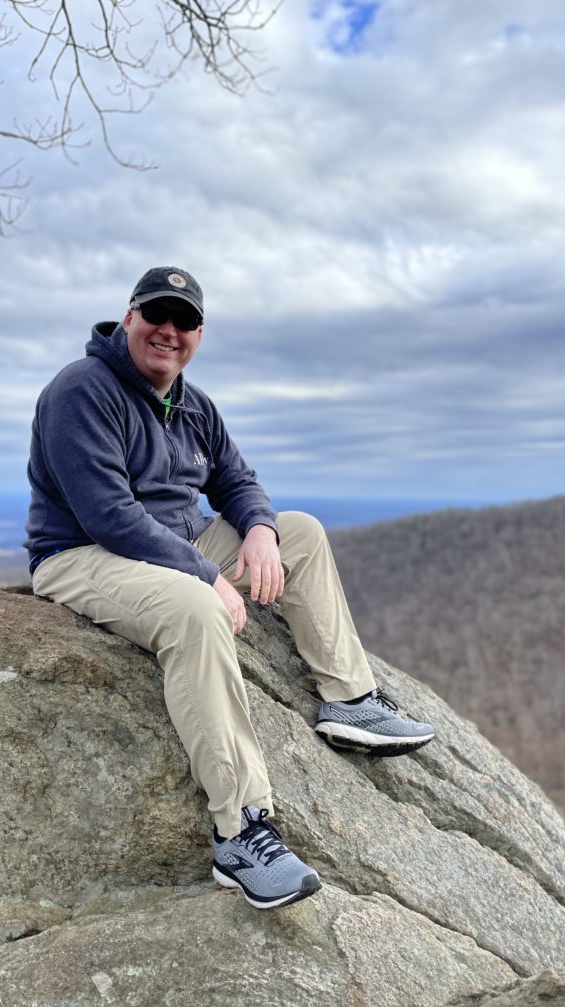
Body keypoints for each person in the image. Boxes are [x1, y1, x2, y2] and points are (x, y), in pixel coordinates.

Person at [25, 266, 435, 911]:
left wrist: (261, 531)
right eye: (156, 314)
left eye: (185, 320)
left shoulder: (192, 403)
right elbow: (108, 513)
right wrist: (207, 575)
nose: (169, 330)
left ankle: (349, 700)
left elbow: (238, 483)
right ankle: (241, 830)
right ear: (129, 316)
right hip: (83, 552)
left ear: (199, 333)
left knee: (301, 530)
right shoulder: (83, 390)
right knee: (194, 610)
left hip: (177, 545)